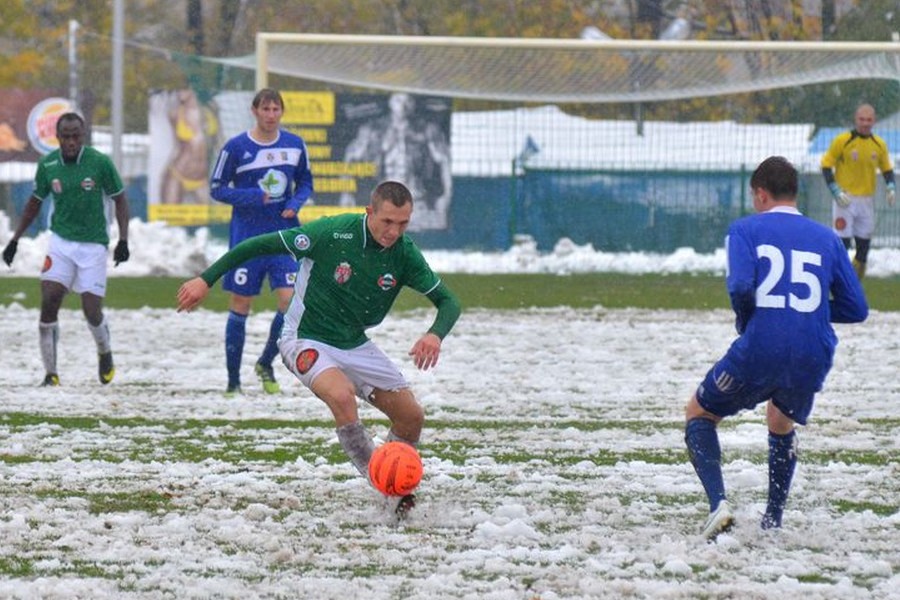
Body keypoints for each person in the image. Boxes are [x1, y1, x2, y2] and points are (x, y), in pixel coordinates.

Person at [177, 180, 461, 514]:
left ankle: (393, 477)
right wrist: (204, 279)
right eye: (387, 221)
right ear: (369, 212)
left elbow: (448, 302)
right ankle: (386, 485)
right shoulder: (333, 232)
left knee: (411, 416)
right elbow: (257, 245)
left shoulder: (404, 254)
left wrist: (435, 334)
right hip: (304, 337)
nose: (394, 231)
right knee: (341, 396)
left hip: (354, 343)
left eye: (403, 223)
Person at [684, 156, 868, 541]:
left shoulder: (745, 230)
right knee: (780, 421)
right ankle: (773, 518)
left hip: (762, 345)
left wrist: (749, 316)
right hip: (813, 352)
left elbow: (739, 287)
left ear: (761, 194)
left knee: (699, 412)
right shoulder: (827, 239)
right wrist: (809, 310)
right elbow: (857, 308)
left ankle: (718, 504)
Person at [2, 112, 130, 386]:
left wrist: (123, 240)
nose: (71, 141)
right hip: (61, 242)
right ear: (57, 137)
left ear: (82, 137)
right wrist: (15, 239)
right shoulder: (48, 165)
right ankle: (51, 374)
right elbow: (35, 203)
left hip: (93, 245)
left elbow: (120, 199)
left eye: (76, 136)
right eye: (66, 136)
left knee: (91, 311)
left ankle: (104, 351)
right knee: (49, 301)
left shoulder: (99, 163)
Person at [209, 88, 314, 396]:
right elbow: (217, 188)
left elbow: (305, 180)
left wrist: (296, 202)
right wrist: (253, 196)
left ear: (281, 112)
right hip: (246, 237)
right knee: (241, 303)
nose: (270, 115)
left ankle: (266, 362)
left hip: (283, 236)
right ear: (254, 111)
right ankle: (233, 382)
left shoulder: (294, 145)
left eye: (275, 109)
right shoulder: (236, 147)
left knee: (289, 302)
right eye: (265, 109)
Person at [339, 93, 452, 231]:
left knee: (433, 227)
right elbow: (350, 156)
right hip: (383, 199)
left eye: (408, 101)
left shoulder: (427, 129)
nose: (403, 106)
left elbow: (445, 158)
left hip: (417, 199)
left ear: (414, 104)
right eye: (398, 100)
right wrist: (346, 193)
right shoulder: (373, 129)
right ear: (390, 102)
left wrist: (447, 194)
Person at [821, 103, 895, 279]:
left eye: (869, 120)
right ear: (856, 119)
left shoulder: (879, 144)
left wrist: (891, 187)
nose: (865, 123)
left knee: (864, 247)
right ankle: (836, 279)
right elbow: (825, 166)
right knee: (842, 243)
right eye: (862, 119)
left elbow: (887, 169)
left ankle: (855, 284)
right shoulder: (842, 141)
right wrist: (835, 190)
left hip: (866, 200)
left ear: (874, 121)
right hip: (844, 200)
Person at [161, 88, 211, 204]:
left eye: (182, 88)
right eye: (177, 89)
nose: (179, 91)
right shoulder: (175, 114)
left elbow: (219, 143)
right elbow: (176, 146)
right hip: (178, 173)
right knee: (170, 219)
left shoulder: (209, 112)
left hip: (202, 178)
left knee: (211, 219)